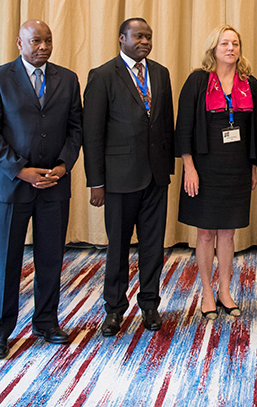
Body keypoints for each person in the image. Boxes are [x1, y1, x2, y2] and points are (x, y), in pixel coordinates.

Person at [0, 20, 83, 359]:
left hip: (54, 184)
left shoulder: (67, 79)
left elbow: (75, 129)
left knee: (51, 258)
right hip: (12, 187)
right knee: (6, 261)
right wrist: (20, 170)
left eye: (48, 40)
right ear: (19, 42)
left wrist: (64, 166)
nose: (43, 46)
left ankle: (47, 322)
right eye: (36, 40)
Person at [83, 17, 175, 336]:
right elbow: (92, 134)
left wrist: (168, 169)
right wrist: (96, 182)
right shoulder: (103, 75)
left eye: (148, 36)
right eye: (138, 36)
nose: (145, 41)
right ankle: (114, 309)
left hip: (155, 178)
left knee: (153, 247)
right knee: (118, 248)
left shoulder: (160, 74)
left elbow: (166, 125)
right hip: (119, 179)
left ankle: (150, 305)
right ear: (122, 38)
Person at [176, 25, 257, 320]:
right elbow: (184, 126)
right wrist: (189, 167)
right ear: (214, 48)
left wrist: (252, 169)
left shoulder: (249, 83)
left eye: (235, 43)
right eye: (224, 43)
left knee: (228, 233)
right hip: (204, 168)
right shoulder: (198, 81)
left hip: (236, 168)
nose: (230, 48)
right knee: (205, 232)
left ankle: (225, 291)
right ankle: (207, 293)